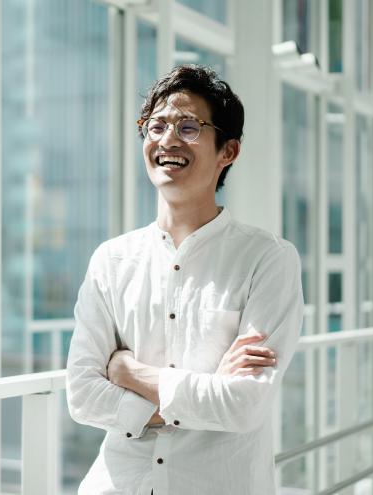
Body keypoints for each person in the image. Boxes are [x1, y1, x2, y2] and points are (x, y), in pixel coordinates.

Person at [66, 65, 304, 495]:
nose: (167, 140)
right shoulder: (111, 260)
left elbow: (244, 405)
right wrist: (205, 393)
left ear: (228, 151)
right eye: (156, 126)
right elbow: (82, 395)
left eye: (189, 127)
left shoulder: (267, 259)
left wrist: (128, 372)